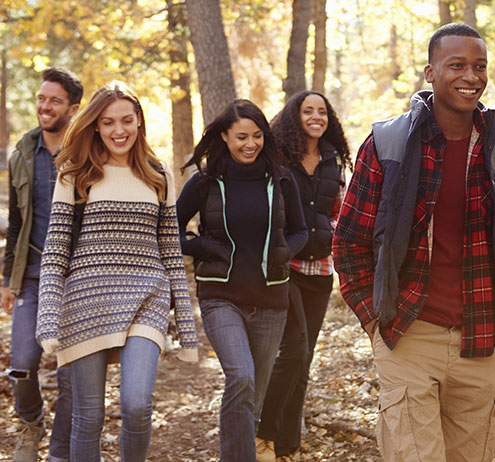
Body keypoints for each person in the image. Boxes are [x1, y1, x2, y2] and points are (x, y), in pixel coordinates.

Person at [332, 23, 495, 462]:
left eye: (480, 67)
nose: (471, 76)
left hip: (480, 339)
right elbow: (348, 241)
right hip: (408, 334)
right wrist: (373, 321)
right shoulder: (388, 144)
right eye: (457, 65)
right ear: (430, 72)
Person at [35, 80, 199, 462]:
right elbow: (55, 252)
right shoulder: (75, 175)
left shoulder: (159, 175)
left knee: (137, 404)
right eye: (108, 122)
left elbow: (170, 252)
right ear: (96, 125)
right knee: (88, 416)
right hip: (86, 302)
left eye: (126, 120)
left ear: (139, 120)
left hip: (147, 299)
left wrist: (187, 329)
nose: (118, 130)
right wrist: (48, 317)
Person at [176, 98, 308, 461]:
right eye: (241, 137)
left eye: (257, 136)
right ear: (224, 136)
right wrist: (202, 246)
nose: (251, 144)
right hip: (221, 297)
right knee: (242, 378)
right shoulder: (205, 182)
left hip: (271, 299)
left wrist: (284, 251)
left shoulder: (281, 179)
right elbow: (169, 230)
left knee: (253, 396)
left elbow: (300, 231)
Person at [256, 91, 350, 461]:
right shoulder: (279, 158)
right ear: (294, 117)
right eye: (307, 111)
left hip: (321, 270)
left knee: (304, 359)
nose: (316, 117)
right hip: (288, 268)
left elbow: (340, 211)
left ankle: (287, 446)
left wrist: (332, 237)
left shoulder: (333, 160)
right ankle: (262, 434)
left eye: (322, 111)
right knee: (294, 350)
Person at [2, 67, 82, 462]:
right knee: (22, 363)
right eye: (41, 98)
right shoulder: (22, 154)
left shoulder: (87, 152)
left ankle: (62, 451)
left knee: (71, 373)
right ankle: (32, 423)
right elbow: (17, 222)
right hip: (33, 275)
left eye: (54, 101)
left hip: (78, 277)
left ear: (73, 109)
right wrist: (7, 280)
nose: (44, 106)